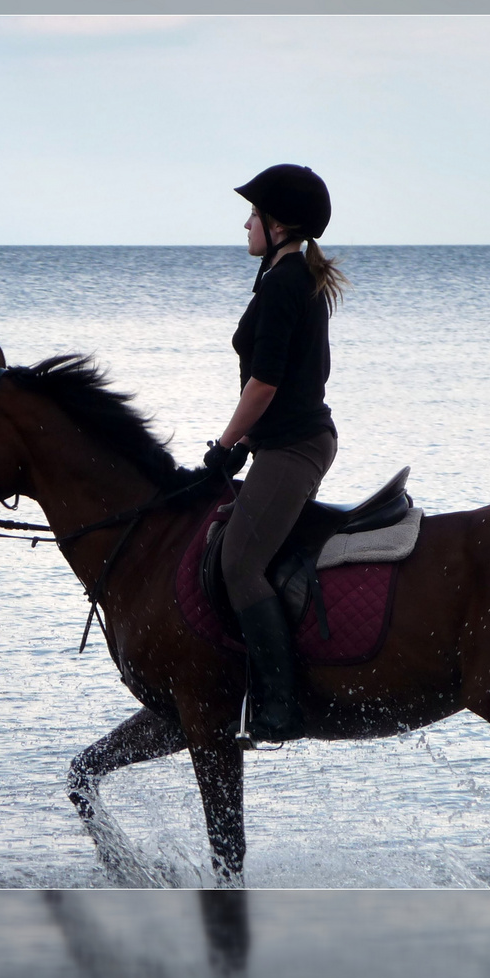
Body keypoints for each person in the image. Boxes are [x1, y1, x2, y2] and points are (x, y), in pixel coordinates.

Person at [203, 164, 348, 743]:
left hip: (294, 447)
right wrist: (248, 443)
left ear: (277, 222)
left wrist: (225, 444)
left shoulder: (287, 282)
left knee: (239, 563)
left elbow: (263, 383)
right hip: (284, 442)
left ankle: (282, 708)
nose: (245, 224)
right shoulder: (287, 277)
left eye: (253, 214)